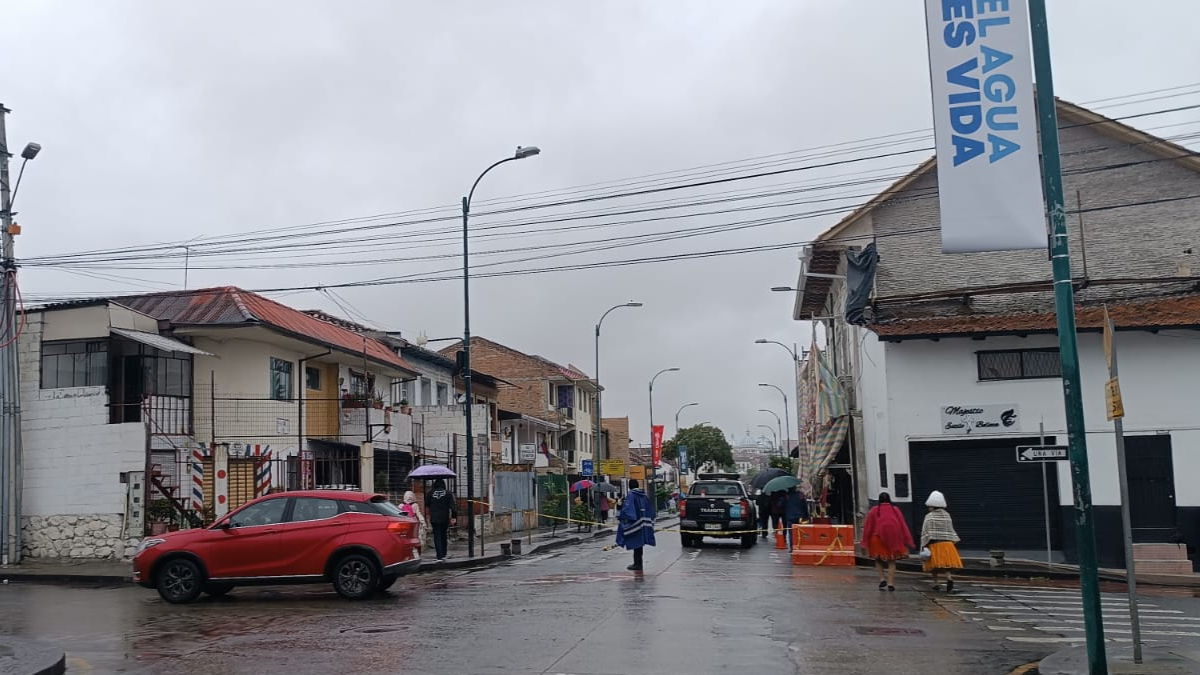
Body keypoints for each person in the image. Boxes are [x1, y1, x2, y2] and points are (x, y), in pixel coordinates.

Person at [862, 491, 914, 591]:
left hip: (877, 539)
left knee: (878, 560)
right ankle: (891, 583)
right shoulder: (895, 510)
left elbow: (868, 527)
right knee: (892, 561)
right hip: (893, 539)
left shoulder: (874, 510)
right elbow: (903, 525)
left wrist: (865, 542)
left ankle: (882, 579)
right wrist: (905, 539)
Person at [920, 490, 962, 592]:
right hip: (947, 544)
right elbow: (950, 530)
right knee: (946, 565)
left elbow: (925, 531)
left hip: (935, 544)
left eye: (929, 506)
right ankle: (949, 578)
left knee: (934, 566)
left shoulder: (929, 517)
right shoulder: (947, 515)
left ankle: (936, 583)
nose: (929, 508)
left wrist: (923, 544)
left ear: (932, 506)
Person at [616, 479, 656, 571]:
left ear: (629, 486)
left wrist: (622, 515)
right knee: (640, 544)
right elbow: (649, 508)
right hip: (644, 523)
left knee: (636, 543)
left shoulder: (631, 495)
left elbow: (627, 509)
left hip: (635, 523)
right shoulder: (644, 495)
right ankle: (639, 563)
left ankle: (637, 564)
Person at [424, 479, 457, 561]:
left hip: (434, 518)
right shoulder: (448, 493)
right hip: (444, 518)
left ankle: (439, 555)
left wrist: (428, 518)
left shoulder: (430, 493)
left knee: (437, 536)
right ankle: (444, 553)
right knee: (443, 535)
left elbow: (427, 507)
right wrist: (453, 517)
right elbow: (453, 508)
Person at [783, 487, 809, 551]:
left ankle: (792, 547)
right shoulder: (800, 495)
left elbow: (781, 505)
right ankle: (800, 546)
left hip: (790, 517)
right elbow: (805, 506)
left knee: (791, 533)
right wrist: (806, 516)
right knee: (800, 532)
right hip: (800, 517)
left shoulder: (787, 496)